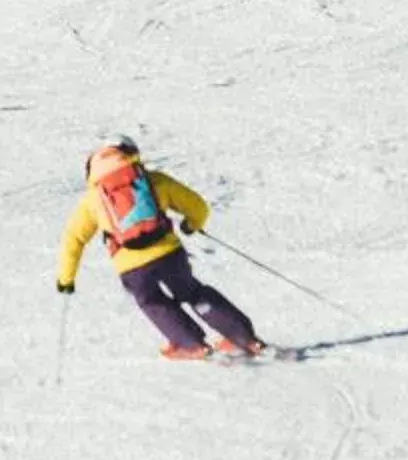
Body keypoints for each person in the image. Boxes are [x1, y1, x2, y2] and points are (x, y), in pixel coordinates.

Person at [56, 139, 266, 361]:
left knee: (153, 302)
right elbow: (197, 206)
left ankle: (192, 345)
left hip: (132, 267)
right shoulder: (154, 181)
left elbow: (73, 239)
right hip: (169, 254)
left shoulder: (93, 200)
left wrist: (66, 279)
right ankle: (244, 337)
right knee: (193, 292)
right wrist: (191, 224)